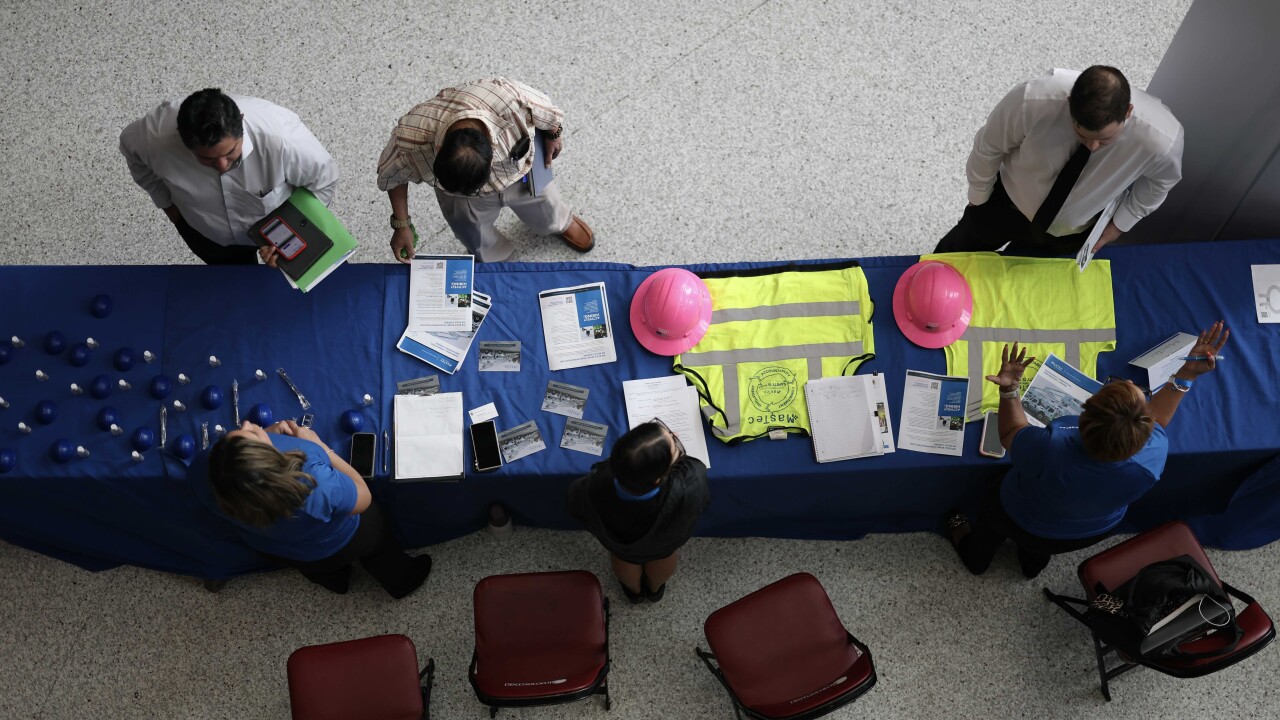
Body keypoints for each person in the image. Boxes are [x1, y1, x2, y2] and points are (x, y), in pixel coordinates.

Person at [944, 321, 1229, 578]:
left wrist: (1009, 390)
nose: (1131, 382)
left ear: (1084, 415)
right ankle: (1031, 568)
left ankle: (976, 559)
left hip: (1020, 516)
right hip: (1085, 532)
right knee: (1039, 550)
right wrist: (1186, 374)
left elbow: (1009, 433)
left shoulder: (1051, 447)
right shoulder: (1151, 454)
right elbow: (1158, 418)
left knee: (989, 527)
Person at [934, 66, 1183, 256]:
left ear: (1127, 112)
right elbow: (989, 147)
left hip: (1068, 234)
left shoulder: (1161, 139)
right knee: (953, 256)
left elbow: (1160, 183)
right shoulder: (1032, 99)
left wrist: (1119, 225)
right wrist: (978, 199)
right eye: (1082, 135)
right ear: (1069, 103)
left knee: (1013, 291)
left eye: (1104, 140)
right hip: (1003, 204)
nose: (1092, 147)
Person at [189, 420, 431, 598]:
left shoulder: (207, 468)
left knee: (318, 569)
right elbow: (363, 497)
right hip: (344, 538)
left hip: (277, 547)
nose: (248, 423)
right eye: (251, 432)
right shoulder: (315, 481)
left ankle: (337, 582)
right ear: (268, 457)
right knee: (378, 544)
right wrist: (321, 447)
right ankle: (401, 581)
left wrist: (265, 437)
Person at [376, 77, 594, 264]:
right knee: (472, 228)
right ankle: (495, 258)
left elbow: (547, 111)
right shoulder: (408, 139)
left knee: (546, 200)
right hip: (457, 195)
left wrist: (554, 135)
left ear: (493, 147)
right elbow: (392, 176)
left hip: (518, 174)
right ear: (439, 148)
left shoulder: (509, 98)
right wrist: (401, 224)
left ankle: (557, 223)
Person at [120, 89, 339, 266]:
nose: (222, 166)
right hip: (209, 237)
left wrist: (294, 231)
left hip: (283, 229)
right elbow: (130, 149)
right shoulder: (153, 137)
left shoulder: (282, 137)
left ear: (241, 125)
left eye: (229, 153)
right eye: (207, 159)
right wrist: (168, 207)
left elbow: (324, 180)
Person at [567, 419, 710, 603]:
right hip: (664, 544)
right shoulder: (688, 486)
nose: (677, 437)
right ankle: (655, 591)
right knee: (663, 557)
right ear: (658, 479)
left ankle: (633, 593)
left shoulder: (592, 486)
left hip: (621, 546)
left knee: (624, 559)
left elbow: (576, 506)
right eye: (675, 446)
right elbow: (700, 498)